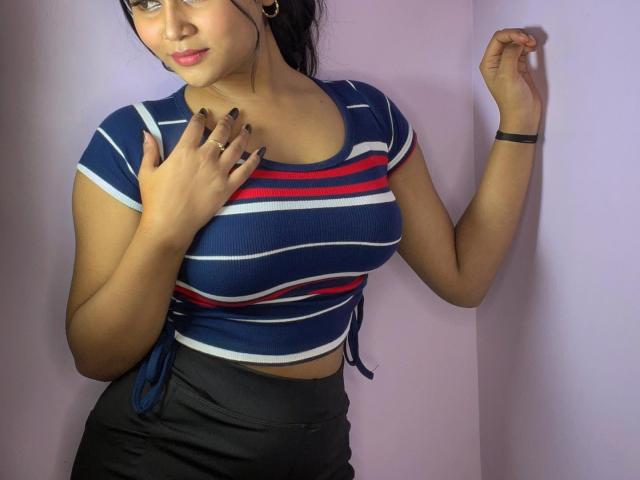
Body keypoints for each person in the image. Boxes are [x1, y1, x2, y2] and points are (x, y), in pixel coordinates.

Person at [67, 0, 540, 478]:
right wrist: (165, 230)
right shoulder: (139, 141)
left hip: (318, 448)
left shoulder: (369, 115)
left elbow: (463, 277)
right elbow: (95, 356)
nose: (172, 27)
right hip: (162, 454)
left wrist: (518, 120)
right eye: (146, 3)